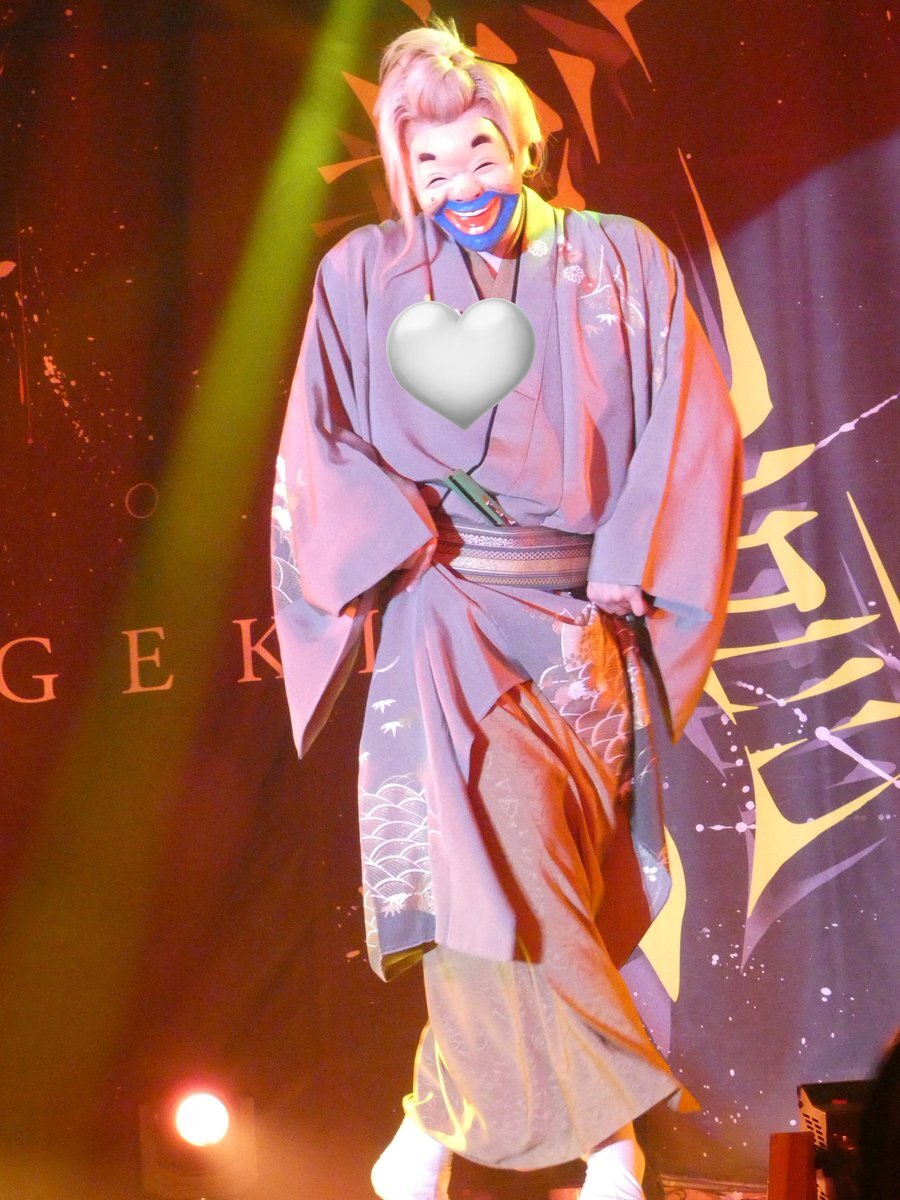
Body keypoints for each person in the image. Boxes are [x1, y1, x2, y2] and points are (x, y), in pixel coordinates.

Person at [271, 18, 742, 1200]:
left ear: (523, 144)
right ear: (401, 171)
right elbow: (319, 439)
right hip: (445, 613)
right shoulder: (363, 275)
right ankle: (616, 1138)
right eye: (428, 165)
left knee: (542, 878)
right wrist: (395, 530)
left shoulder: (619, 259)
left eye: (478, 152)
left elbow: (691, 421)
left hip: (584, 612)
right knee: (502, 860)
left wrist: (632, 554)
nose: (458, 183)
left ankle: (426, 1127)